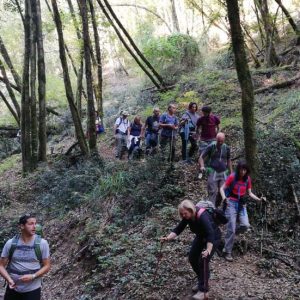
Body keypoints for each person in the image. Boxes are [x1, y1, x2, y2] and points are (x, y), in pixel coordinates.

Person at [161, 200, 221, 300]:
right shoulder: (187, 217)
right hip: (201, 236)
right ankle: (202, 280)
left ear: (191, 210)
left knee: (203, 260)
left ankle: (203, 290)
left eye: (185, 213)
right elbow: (178, 229)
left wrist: (208, 250)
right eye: (182, 214)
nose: (184, 215)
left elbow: (210, 233)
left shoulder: (202, 216)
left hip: (213, 237)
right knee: (192, 258)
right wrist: (167, 238)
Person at [0, 214, 51, 300]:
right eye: (31, 224)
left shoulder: (42, 243)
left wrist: (33, 276)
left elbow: (47, 266)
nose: (34, 227)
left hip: (33, 290)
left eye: (35, 223)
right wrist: (9, 280)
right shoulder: (11, 243)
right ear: (22, 226)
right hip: (13, 288)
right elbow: (1, 265)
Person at [220, 161, 262, 262]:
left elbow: (250, 193)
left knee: (245, 225)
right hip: (231, 203)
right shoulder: (232, 177)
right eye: (241, 169)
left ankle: (231, 235)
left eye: (245, 170)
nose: (242, 171)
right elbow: (222, 188)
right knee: (231, 227)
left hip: (241, 204)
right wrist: (224, 198)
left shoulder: (247, 179)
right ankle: (227, 252)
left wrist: (259, 199)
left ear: (247, 170)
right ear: (238, 169)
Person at [199, 132, 233, 207]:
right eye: (218, 141)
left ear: (224, 140)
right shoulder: (211, 146)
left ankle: (216, 207)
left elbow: (229, 160)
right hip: (212, 171)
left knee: (223, 191)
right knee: (212, 191)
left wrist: (231, 173)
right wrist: (202, 166)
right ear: (216, 139)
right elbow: (201, 157)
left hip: (223, 172)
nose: (220, 143)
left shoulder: (227, 148)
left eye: (222, 141)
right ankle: (211, 209)